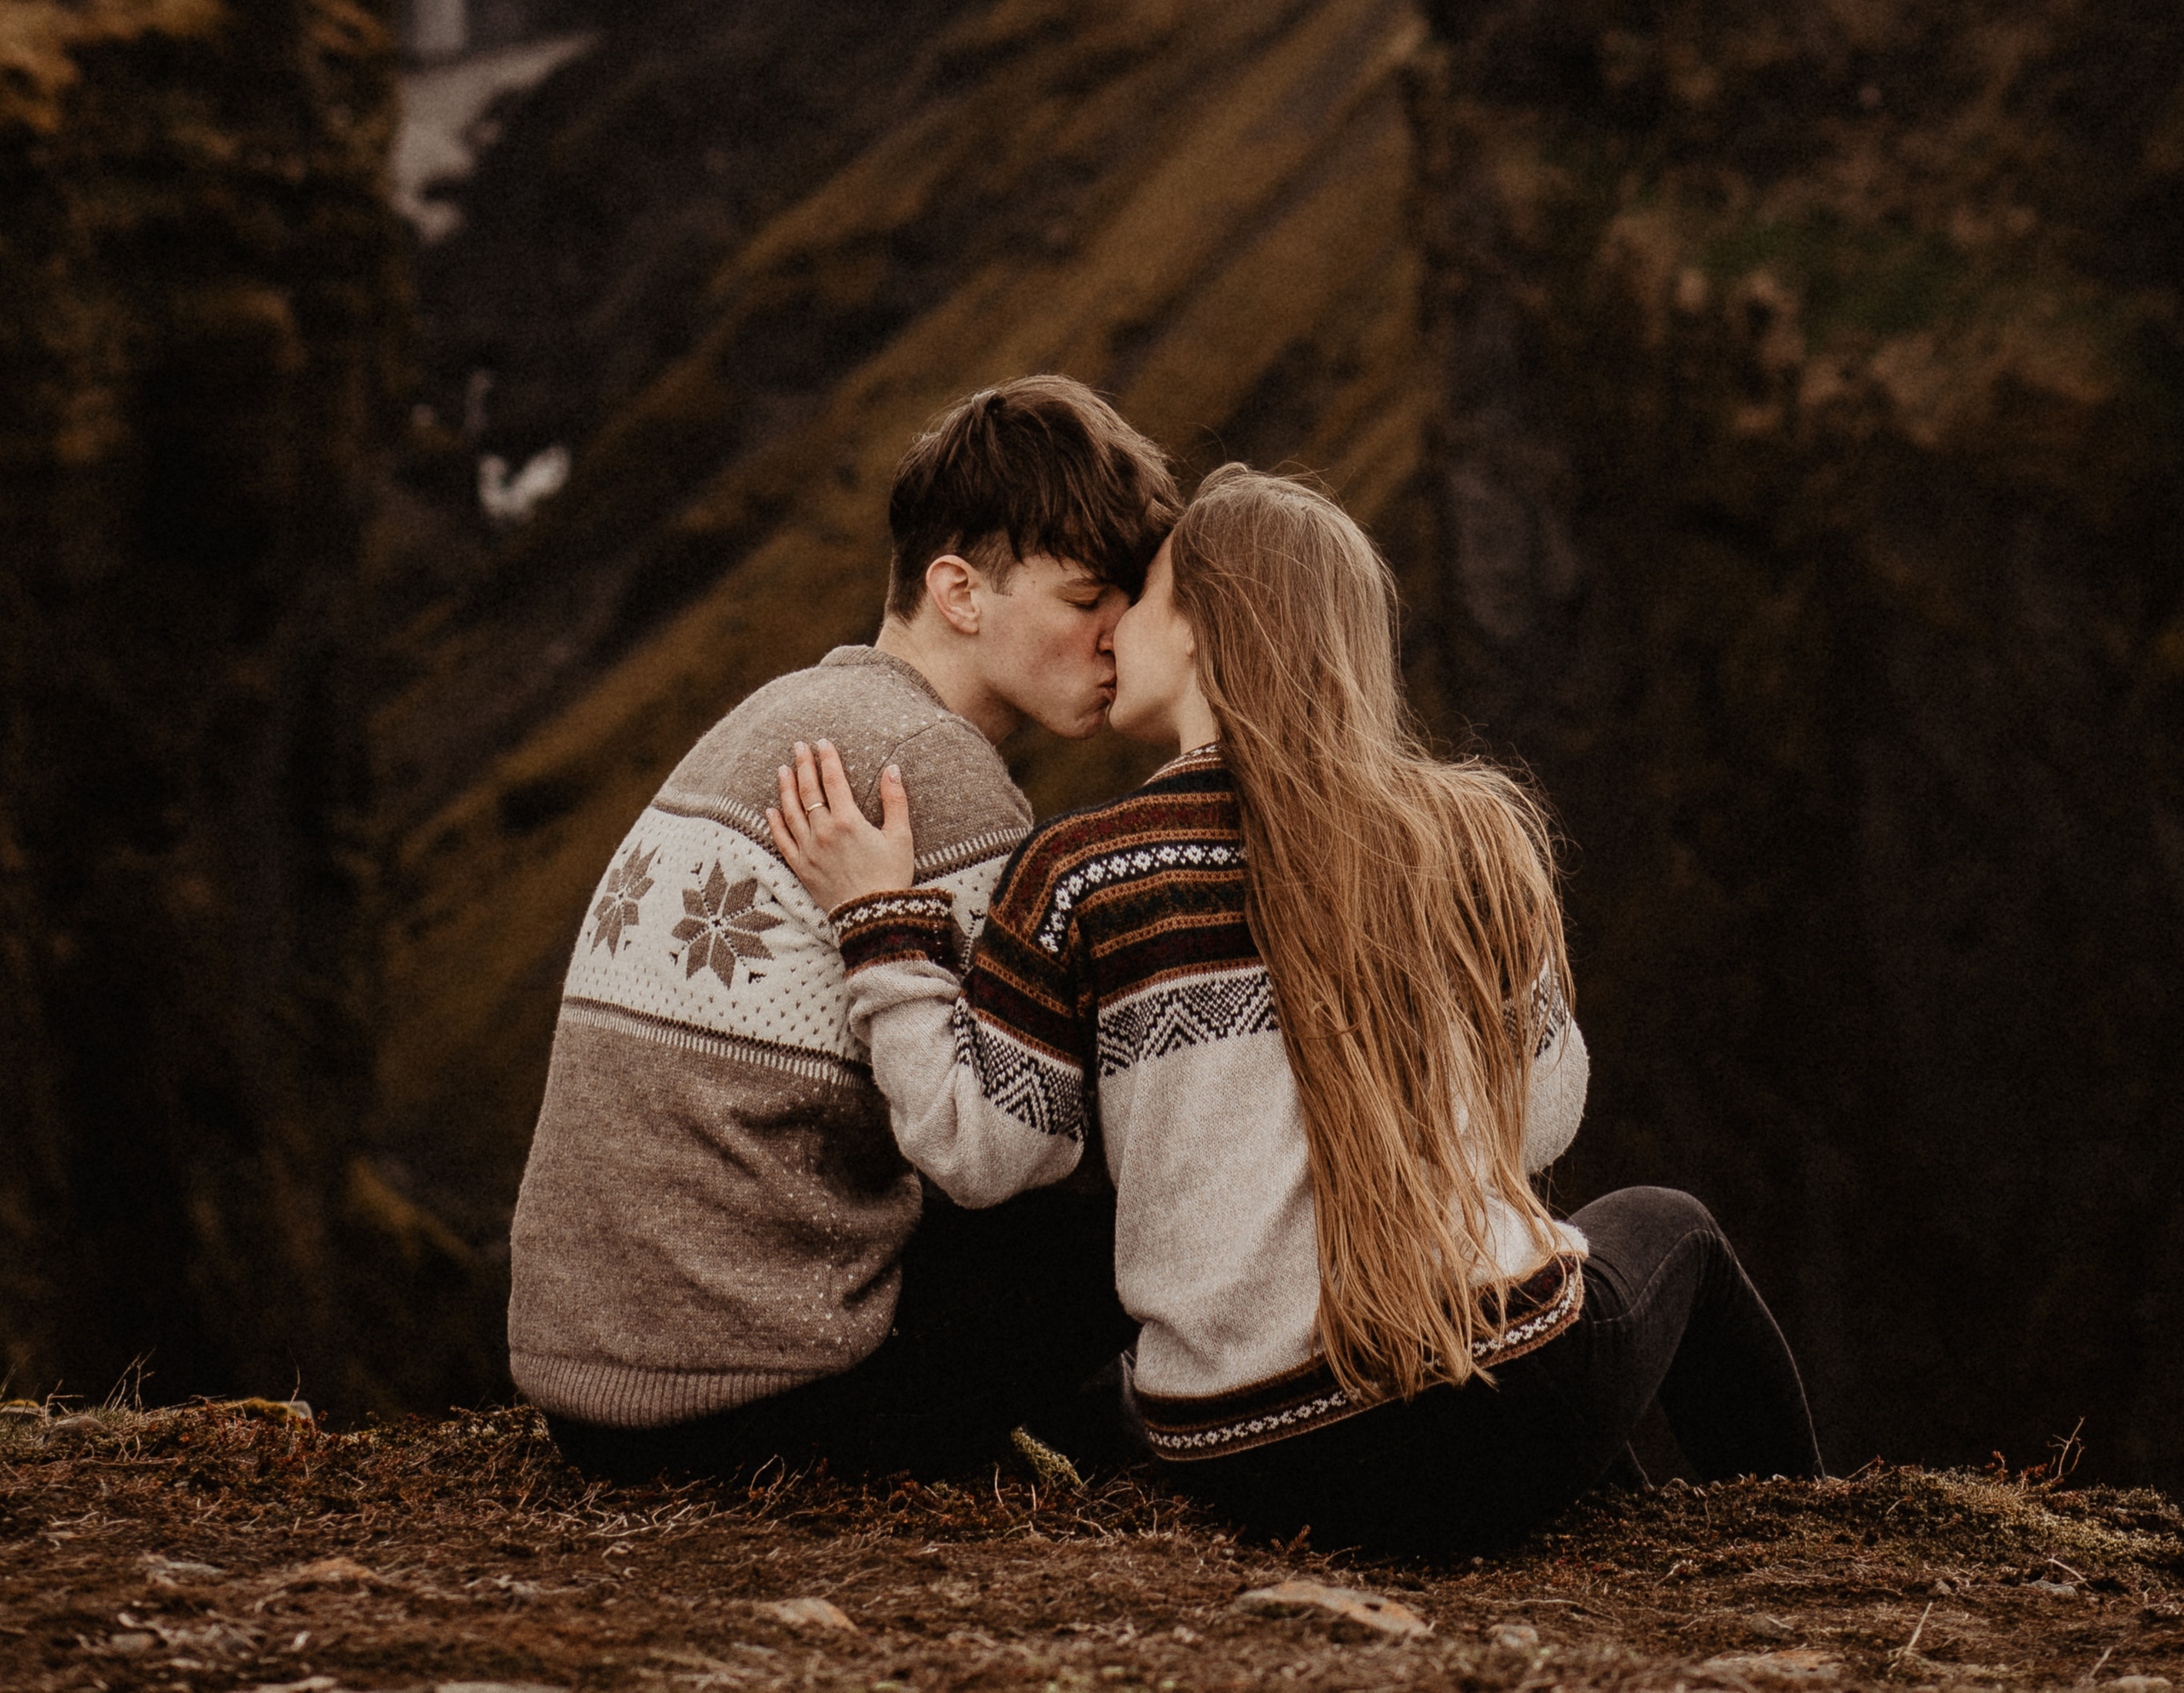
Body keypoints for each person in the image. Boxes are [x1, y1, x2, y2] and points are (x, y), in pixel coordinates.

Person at [773, 462, 1821, 1555]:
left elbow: (978, 1153)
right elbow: (1540, 1119)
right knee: (1672, 1232)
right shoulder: (1466, 837)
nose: (1113, 624)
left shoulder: (1082, 874)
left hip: (1253, 1464)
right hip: (1503, 1416)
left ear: (1196, 631)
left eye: (1144, 595)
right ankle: (1814, 1540)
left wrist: (882, 928)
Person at [508, 373, 1181, 1483]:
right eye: (1083, 600)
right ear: (959, 592)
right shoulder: (933, 772)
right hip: (752, 1408)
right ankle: (1145, 1456)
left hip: (597, 1397)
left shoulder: (787, 712)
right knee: (1134, 1199)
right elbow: (1014, 1150)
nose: (1119, 637)